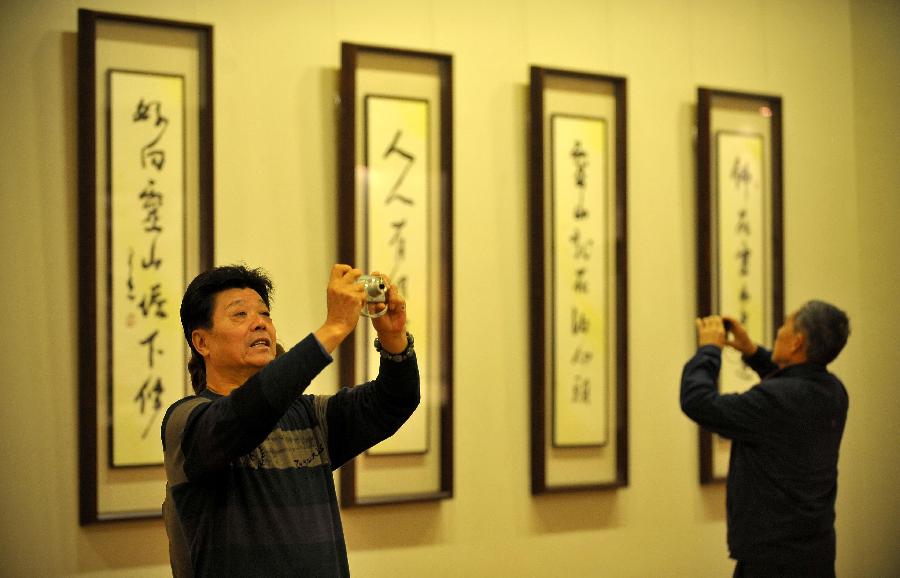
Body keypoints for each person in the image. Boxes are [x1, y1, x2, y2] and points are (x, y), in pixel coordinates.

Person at [162, 263, 419, 577]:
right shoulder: (187, 420)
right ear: (201, 343)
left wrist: (394, 340)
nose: (260, 324)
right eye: (240, 314)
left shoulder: (309, 416)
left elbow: (394, 401)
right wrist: (334, 327)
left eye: (265, 314)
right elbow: (246, 414)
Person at [680, 300, 850, 577]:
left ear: (796, 342)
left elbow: (698, 402)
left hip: (773, 560)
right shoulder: (834, 391)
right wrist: (753, 352)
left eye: (785, 324)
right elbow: (793, 379)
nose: (779, 330)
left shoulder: (776, 400)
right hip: (815, 551)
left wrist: (709, 350)